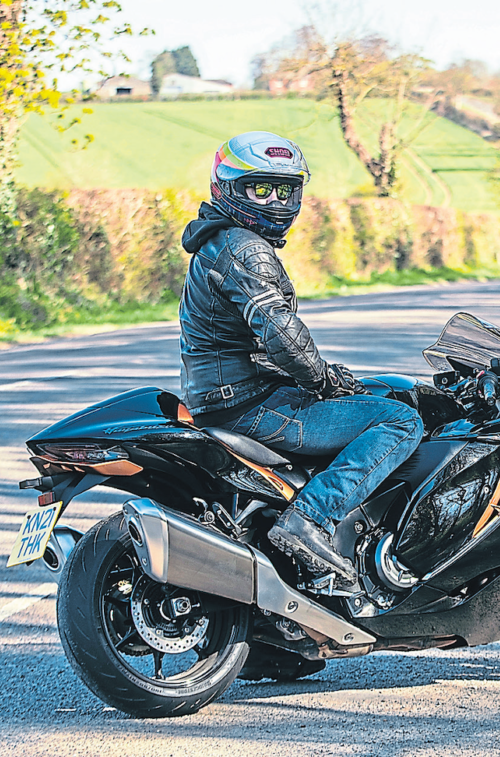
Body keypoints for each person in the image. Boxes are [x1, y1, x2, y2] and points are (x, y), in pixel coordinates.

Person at [178, 131, 423, 591]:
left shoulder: (220, 241)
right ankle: (310, 520)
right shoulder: (244, 247)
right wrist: (325, 378)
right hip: (248, 401)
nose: (274, 201)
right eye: (261, 189)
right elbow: (281, 334)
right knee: (400, 421)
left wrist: (332, 381)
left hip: (232, 394)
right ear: (226, 187)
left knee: (375, 392)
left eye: (285, 190)